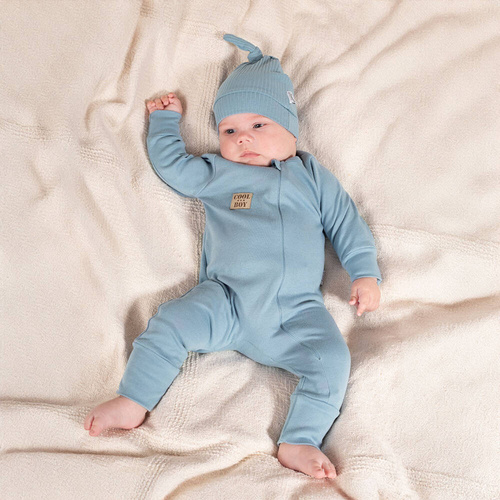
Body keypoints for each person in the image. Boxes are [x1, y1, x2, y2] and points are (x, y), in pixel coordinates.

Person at [84, 34, 382, 480]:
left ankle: (300, 440)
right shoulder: (219, 173)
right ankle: (134, 399)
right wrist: (165, 122)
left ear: (290, 129)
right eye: (229, 131)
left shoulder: (311, 177)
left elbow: (346, 222)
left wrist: (364, 273)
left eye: (259, 125)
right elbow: (174, 168)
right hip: (225, 300)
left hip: (296, 312)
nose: (243, 138)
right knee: (170, 322)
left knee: (332, 361)